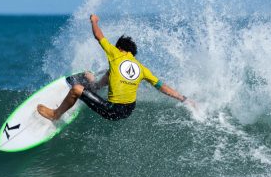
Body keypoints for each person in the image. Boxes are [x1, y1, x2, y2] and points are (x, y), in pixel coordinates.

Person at [37, 14, 196, 121]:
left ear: (120, 48)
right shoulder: (142, 69)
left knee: (77, 89)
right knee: (108, 72)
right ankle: (96, 85)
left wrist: (94, 21)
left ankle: (55, 114)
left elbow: (99, 36)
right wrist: (183, 98)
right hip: (128, 111)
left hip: (113, 110)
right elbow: (162, 87)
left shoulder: (115, 54)